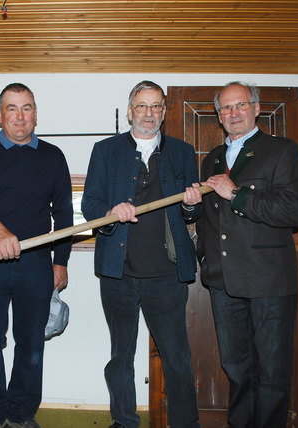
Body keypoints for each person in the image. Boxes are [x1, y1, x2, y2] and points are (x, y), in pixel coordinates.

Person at [81, 80, 202, 428]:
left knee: (177, 356)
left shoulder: (181, 151)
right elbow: (90, 204)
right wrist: (108, 211)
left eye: (155, 107)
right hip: (118, 273)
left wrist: (193, 205)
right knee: (121, 355)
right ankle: (124, 421)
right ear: (130, 110)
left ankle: (185, 423)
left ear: (164, 113)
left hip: (166, 274)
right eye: (141, 106)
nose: (148, 113)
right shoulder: (106, 150)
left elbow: (192, 214)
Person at [187, 81, 298, 428]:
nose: (233, 113)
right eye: (226, 108)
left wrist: (236, 193)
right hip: (224, 282)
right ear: (219, 117)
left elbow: (291, 212)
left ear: (256, 108)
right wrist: (191, 209)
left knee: (272, 371)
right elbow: (211, 219)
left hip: (268, 280)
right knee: (236, 367)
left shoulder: (281, 150)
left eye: (240, 105)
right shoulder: (212, 158)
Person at [0, 83, 73, 428]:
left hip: (36, 263)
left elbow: (65, 214)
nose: (20, 116)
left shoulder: (53, 156)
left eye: (26, 108)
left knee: (31, 343)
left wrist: (60, 261)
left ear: (35, 115)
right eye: (12, 108)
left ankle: (22, 415)